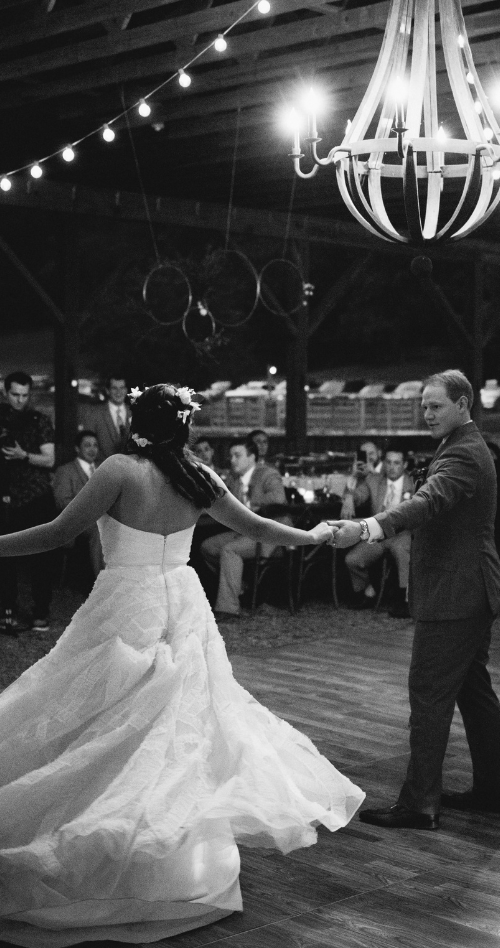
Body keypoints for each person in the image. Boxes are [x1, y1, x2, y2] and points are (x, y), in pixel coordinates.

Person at [0, 382, 364, 947]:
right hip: (183, 601)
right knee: (177, 727)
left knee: (104, 713)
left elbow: (58, 533)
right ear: (184, 426)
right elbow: (257, 527)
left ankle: (109, 843)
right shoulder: (198, 475)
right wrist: (313, 533)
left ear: (136, 425)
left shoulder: (119, 470)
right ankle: (170, 861)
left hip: (129, 602)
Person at [331, 370, 500, 830]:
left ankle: (420, 805)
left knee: (428, 696)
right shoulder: (462, 445)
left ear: (463, 405)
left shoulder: (464, 452)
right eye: (423, 405)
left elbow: (425, 503)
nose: (426, 413)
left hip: (456, 593)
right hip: (469, 589)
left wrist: (366, 527)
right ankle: (493, 788)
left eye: (435, 406)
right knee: (474, 692)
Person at [201, 437, 286, 618]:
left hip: (271, 534)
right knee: (208, 547)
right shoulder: (234, 479)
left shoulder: (268, 474)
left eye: (237, 455)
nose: (232, 460)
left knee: (230, 550)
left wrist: (251, 502)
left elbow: (279, 499)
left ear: (252, 457)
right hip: (245, 531)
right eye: (231, 456)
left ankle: (228, 609)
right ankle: (239, 584)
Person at [0, 370, 55, 634]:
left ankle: (40, 611)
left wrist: (23, 455)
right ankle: (6, 611)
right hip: (6, 497)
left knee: (40, 558)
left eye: (24, 395)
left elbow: (49, 459)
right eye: (15, 395)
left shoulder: (39, 420)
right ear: (5, 392)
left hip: (36, 496)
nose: (20, 400)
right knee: (5, 556)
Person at [343, 447, 414, 617]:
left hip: (403, 533)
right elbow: (358, 495)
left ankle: (405, 600)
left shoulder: (413, 483)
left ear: (404, 465)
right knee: (352, 560)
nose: (391, 467)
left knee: (402, 552)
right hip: (379, 534)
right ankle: (368, 590)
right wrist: (349, 496)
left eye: (396, 463)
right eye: (388, 462)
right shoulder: (375, 481)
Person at [52, 429, 103, 581]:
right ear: (77, 448)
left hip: (106, 517)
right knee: (99, 530)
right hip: (78, 522)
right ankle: (102, 582)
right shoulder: (65, 471)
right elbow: (62, 501)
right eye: (87, 445)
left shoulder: (104, 469)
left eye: (95, 445)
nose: (92, 449)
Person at [78, 375, 131, 462]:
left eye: (122, 388)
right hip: (102, 467)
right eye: (114, 388)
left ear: (126, 390)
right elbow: (87, 445)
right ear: (107, 391)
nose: (118, 392)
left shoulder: (135, 412)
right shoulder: (94, 413)